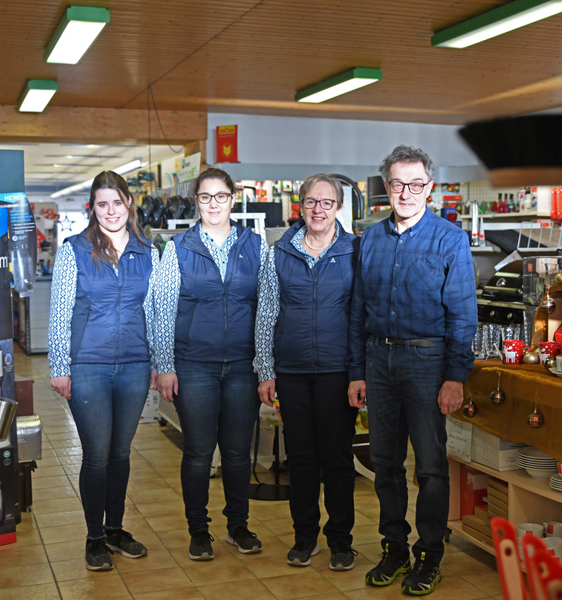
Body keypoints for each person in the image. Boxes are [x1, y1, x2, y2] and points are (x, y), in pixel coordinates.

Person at [347, 146, 477, 595]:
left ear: (430, 187)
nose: (406, 192)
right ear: (387, 186)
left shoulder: (449, 239)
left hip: (428, 362)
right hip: (377, 361)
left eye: (416, 183)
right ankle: (394, 547)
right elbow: (357, 311)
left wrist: (455, 376)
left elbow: (463, 315)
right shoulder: (370, 240)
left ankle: (430, 554)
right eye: (398, 183)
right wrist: (356, 371)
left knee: (430, 465)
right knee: (385, 463)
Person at [155, 167, 271, 560]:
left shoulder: (257, 246)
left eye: (220, 196)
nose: (213, 204)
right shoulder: (178, 248)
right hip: (194, 365)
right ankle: (198, 531)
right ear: (196, 201)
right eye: (205, 197)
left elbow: (268, 309)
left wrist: (266, 367)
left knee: (238, 453)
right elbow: (162, 310)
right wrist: (165, 365)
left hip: (243, 365)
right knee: (199, 452)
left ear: (233, 198)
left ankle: (238, 526)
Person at [48, 171, 159, 571]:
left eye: (117, 202)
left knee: (121, 451)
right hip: (88, 366)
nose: (110, 211)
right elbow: (60, 313)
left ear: (129, 203)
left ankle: (115, 529)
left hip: (134, 364)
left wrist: (159, 362)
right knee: (96, 454)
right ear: (91, 208)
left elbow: (157, 313)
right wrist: (60, 366)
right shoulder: (74, 250)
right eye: (101, 204)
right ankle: (94, 537)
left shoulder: (149, 251)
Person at [255, 174, 360, 571]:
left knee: (336, 459)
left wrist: (358, 372)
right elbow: (266, 314)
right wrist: (266, 370)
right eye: (311, 202)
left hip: (338, 371)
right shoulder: (277, 253)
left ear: (338, 208)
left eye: (327, 202)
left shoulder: (354, 251)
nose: (319, 209)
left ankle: (341, 541)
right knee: (300, 459)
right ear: (299, 206)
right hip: (293, 371)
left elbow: (359, 314)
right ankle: (304, 538)